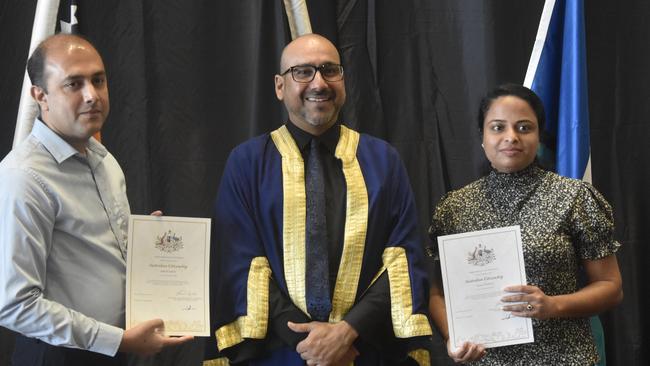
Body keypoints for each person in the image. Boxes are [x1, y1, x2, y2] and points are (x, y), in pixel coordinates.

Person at [207, 33, 432, 366]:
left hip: (363, 349)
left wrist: (345, 333)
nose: (319, 82)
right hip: (279, 352)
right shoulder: (247, 163)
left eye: (330, 70)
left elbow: (403, 258)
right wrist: (312, 343)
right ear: (279, 86)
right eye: (303, 72)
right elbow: (238, 264)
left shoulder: (383, 160)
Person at [0, 34, 192, 366]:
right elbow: (14, 305)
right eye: (73, 84)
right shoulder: (24, 178)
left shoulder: (103, 159)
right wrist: (115, 340)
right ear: (40, 96)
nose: (92, 95)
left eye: (98, 80)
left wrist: (145, 243)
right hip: (58, 356)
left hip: (114, 351)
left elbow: (95, 251)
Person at [427, 84, 623, 365]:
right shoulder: (453, 207)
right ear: (482, 137)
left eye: (523, 127)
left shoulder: (574, 196)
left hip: (566, 357)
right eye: (497, 127)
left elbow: (611, 286)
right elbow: (437, 293)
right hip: (486, 361)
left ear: (539, 136)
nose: (511, 137)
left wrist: (553, 305)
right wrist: (452, 336)